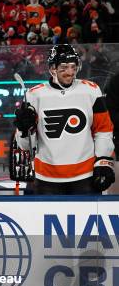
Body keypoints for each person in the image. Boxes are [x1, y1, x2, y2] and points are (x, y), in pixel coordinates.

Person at [14, 44, 114, 194]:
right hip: (46, 177)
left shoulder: (91, 90)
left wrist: (103, 161)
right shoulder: (33, 95)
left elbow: (103, 130)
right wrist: (24, 130)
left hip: (85, 175)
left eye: (73, 67)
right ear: (52, 69)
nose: (70, 72)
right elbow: (26, 146)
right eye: (64, 68)